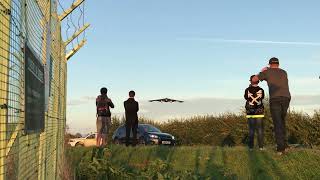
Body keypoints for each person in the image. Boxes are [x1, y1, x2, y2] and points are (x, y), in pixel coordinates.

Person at [252, 57, 291, 155]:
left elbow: (254, 79)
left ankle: (280, 149)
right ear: (278, 64)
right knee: (282, 121)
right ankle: (285, 145)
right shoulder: (284, 72)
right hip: (286, 97)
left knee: (277, 122)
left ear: (270, 64)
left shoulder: (267, 72)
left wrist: (262, 71)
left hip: (275, 99)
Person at [244, 75, 265, 151]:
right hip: (259, 111)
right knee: (260, 129)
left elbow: (246, 98)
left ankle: (251, 147)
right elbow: (262, 98)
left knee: (251, 130)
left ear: (250, 81)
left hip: (250, 112)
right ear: (258, 81)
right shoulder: (261, 90)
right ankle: (261, 147)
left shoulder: (247, 90)